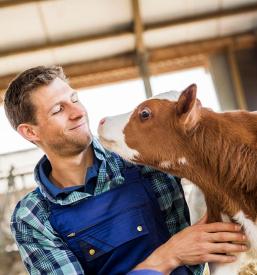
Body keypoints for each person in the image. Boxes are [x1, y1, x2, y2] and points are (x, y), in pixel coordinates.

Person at [4, 66, 247, 275]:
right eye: (58, 110)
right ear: (30, 132)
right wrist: (168, 256)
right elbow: (180, 250)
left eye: (74, 99)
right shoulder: (33, 217)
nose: (78, 113)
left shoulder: (144, 164)